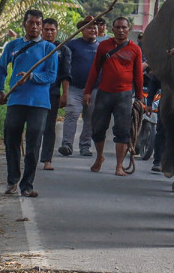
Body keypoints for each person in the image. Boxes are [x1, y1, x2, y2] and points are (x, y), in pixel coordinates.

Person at [0, 10, 58, 197]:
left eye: (38, 24)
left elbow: (51, 76)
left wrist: (32, 76)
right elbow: (1, 68)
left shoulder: (49, 49)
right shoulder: (13, 46)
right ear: (24, 24)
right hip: (16, 99)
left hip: (39, 103)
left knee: (33, 143)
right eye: (31, 23)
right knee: (11, 139)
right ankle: (12, 179)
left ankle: (27, 185)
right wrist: (0, 90)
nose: (35, 27)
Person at [84, 16, 144, 176]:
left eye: (124, 27)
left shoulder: (135, 49)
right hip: (104, 93)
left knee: (123, 131)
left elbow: (138, 75)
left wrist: (139, 97)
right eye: (117, 27)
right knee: (98, 128)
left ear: (128, 29)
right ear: (112, 29)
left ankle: (119, 166)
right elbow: (94, 70)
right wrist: (88, 91)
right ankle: (99, 157)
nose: (121, 30)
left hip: (124, 95)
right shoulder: (104, 46)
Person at [60, 16, 99, 157]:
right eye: (89, 27)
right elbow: (63, 63)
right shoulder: (72, 45)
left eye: (95, 27)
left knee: (90, 118)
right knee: (72, 114)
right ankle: (67, 144)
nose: (93, 30)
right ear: (82, 30)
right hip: (74, 88)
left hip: (94, 89)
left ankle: (85, 146)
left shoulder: (101, 47)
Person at [39, 18, 72, 170]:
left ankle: (47, 159)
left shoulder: (63, 50)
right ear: (41, 30)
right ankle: (31, 156)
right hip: (33, 92)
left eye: (52, 30)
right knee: (34, 126)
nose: (49, 32)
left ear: (56, 31)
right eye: (46, 29)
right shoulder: (34, 46)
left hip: (52, 93)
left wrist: (65, 94)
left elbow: (66, 74)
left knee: (49, 126)